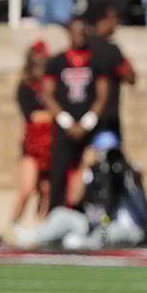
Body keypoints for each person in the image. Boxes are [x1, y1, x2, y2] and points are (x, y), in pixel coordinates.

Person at [14, 131, 147, 250]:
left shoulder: (128, 171)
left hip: (125, 227)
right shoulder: (92, 172)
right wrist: (85, 165)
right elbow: (73, 198)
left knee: (106, 231)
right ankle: (36, 237)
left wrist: (122, 165)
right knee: (60, 214)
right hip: (96, 223)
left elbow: (138, 174)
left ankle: (85, 242)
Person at [43, 15, 109, 211]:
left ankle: (88, 215)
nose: (80, 35)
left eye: (83, 31)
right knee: (59, 171)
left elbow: (102, 96)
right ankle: (54, 215)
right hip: (65, 126)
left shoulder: (97, 61)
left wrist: (87, 122)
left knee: (90, 171)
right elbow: (48, 95)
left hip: (89, 127)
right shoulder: (56, 61)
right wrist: (66, 121)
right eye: (76, 30)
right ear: (69, 32)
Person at [9, 40, 51, 234]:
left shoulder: (52, 85)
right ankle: (12, 226)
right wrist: (55, 115)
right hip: (34, 143)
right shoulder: (25, 87)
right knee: (27, 188)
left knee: (46, 189)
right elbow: (31, 115)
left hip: (51, 142)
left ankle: (40, 227)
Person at [86, 1, 136, 141]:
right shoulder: (112, 51)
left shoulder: (82, 47)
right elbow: (131, 77)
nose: (115, 23)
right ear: (102, 21)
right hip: (107, 118)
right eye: (112, 18)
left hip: (80, 117)